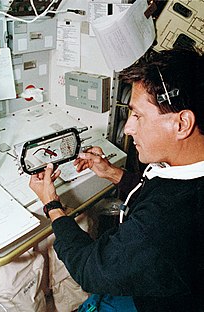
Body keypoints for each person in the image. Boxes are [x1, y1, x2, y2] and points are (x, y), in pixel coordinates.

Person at [29, 47, 204, 312]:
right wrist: (112, 172)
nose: (130, 127)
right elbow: (163, 191)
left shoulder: (164, 223)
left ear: (181, 124)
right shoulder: (187, 172)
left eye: (138, 115)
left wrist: (52, 204)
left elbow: (91, 269)